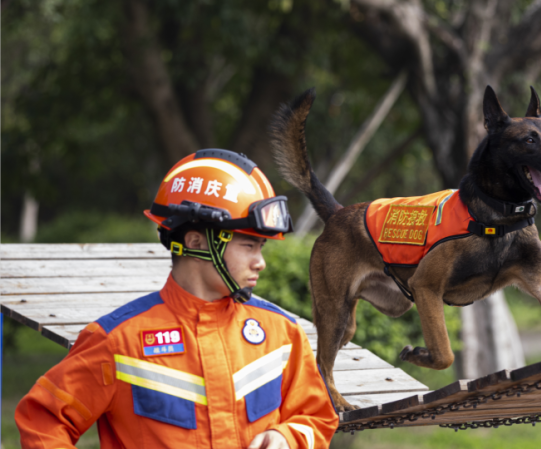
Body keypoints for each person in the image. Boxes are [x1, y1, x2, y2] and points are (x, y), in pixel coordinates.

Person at [15, 149, 339, 449]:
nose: (260, 262)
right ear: (196, 242)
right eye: (248, 246)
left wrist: (287, 437)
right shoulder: (118, 341)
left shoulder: (280, 333)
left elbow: (317, 416)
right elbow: (44, 420)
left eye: (261, 247)